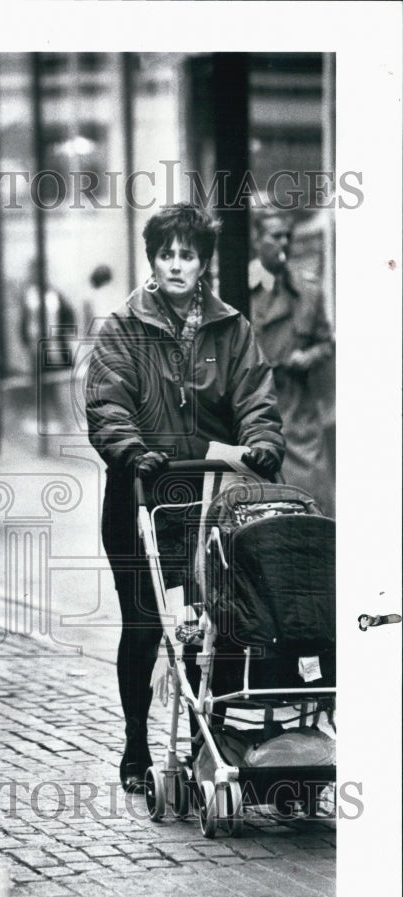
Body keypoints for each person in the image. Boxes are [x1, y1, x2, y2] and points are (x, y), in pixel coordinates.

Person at [86, 202, 284, 793]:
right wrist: (130, 449)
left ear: (204, 264)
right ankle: (135, 742)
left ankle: (206, 738)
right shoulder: (122, 328)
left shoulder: (233, 330)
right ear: (152, 260)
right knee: (144, 624)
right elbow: (108, 402)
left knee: (214, 624)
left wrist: (262, 442)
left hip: (211, 497)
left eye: (188, 255)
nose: (177, 265)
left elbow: (256, 398)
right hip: (141, 493)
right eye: (167, 254)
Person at [249, 207, 335, 517]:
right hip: (256, 407)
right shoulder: (240, 290)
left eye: (288, 236)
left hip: (298, 411)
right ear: (258, 240)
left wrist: (307, 357)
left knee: (314, 500)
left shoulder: (307, 291)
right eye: (275, 236)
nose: (283, 243)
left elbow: (326, 343)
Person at [20, 261, 76, 434]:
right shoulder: (30, 295)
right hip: (37, 345)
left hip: (54, 345)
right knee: (41, 383)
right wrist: (27, 341)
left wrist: (63, 336)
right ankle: (45, 418)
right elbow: (25, 322)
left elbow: (68, 316)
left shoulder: (54, 294)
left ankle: (63, 419)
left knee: (55, 383)